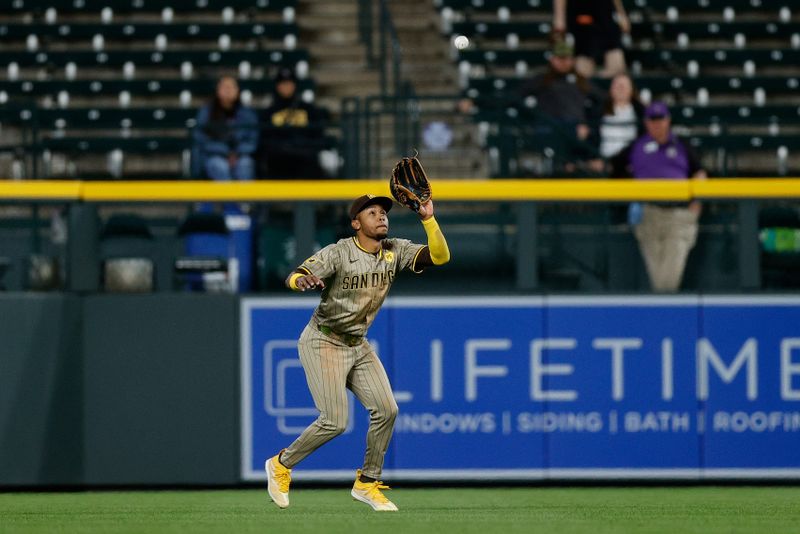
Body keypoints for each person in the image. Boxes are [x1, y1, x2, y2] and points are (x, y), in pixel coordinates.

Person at [265, 193, 450, 511]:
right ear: (356, 223)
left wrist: (428, 218)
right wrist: (302, 281)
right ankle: (281, 464)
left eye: (384, 213)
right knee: (335, 421)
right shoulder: (340, 252)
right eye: (372, 213)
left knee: (387, 409)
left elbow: (440, 257)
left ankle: (367, 483)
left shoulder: (394, 250)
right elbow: (294, 275)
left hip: (357, 344)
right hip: (323, 340)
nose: (381, 217)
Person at [611, 101, 707, 292]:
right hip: (648, 214)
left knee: (669, 279)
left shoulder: (681, 145)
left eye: (660, 119)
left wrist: (697, 202)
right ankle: (668, 314)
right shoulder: (638, 146)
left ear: (668, 120)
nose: (657, 124)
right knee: (658, 278)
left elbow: (700, 172)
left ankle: (667, 314)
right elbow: (614, 168)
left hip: (678, 215)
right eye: (652, 120)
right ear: (646, 122)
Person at [518, 40, 604, 173]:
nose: (564, 62)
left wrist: (587, 124)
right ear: (552, 59)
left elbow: (601, 101)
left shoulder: (581, 82)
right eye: (560, 58)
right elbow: (516, 97)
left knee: (587, 136)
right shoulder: (542, 80)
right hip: (550, 128)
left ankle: (574, 167)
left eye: (567, 58)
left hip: (576, 129)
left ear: (573, 60)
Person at [257, 67, 331, 179]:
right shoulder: (269, 112)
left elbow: (318, 135)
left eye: (289, 83)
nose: (286, 87)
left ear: (295, 85)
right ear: (277, 86)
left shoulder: (309, 109)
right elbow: (265, 139)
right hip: (279, 159)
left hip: (305, 156)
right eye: (283, 84)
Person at [193, 76, 258, 181]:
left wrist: (237, 153)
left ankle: (245, 198)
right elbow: (201, 139)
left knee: (245, 164)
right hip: (214, 155)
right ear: (217, 90)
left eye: (231, 87)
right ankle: (226, 198)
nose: (228, 90)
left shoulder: (248, 114)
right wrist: (225, 153)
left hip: (241, 156)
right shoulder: (206, 113)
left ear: (238, 91)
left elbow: (253, 140)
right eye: (224, 87)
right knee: (219, 166)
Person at [553, 0, 630, 78]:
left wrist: (621, 13)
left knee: (617, 68)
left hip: (605, 13)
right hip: (579, 15)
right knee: (582, 70)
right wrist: (559, 18)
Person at [598, 73, 644, 159]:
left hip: (631, 160)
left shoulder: (641, 112)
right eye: (617, 86)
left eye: (624, 86)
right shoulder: (598, 111)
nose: (620, 89)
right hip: (604, 160)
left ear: (632, 90)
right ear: (611, 89)